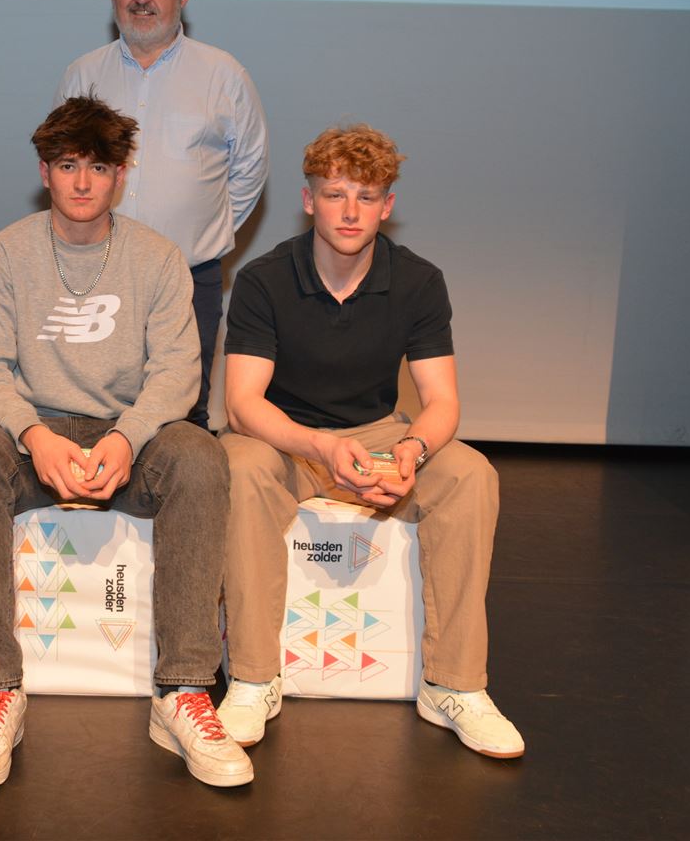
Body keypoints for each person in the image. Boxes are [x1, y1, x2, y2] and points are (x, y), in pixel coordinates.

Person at [0, 96, 251, 789]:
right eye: (68, 165)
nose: (82, 182)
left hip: (125, 439)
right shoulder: (5, 254)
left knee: (200, 457)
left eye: (99, 167)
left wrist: (129, 438)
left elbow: (178, 372)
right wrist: (34, 435)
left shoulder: (158, 258)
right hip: (31, 438)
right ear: (44, 171)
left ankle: (183, 690)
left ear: (121, 175)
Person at [216, 124, 525, 759]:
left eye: (366, 196)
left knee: (471, 474)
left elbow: (442, 402)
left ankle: (453, 684)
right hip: (284, 435)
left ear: (388, 205)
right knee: (239, 469)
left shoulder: (418, 281)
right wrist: (320, 447)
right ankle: (253, 677)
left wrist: (411, 451)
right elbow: (242, 404)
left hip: (379, 433)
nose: (350, 211)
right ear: (309, 201)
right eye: (335, 194)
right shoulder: (264, 279)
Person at [58, 0, 268, 429]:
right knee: (90, 413)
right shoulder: (82, 75)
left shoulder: (224, 75)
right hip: (94, 278)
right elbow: (65, 172)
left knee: (183, 419)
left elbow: (251, 169)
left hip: (189, 280)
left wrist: (205, 232)